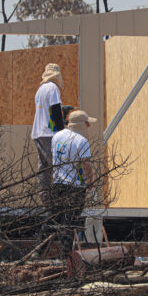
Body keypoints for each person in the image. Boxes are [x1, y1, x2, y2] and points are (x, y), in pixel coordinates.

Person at [50, 109, 96, 254]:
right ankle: (65, 257)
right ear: (82, 124)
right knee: (70, 222)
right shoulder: (81, 141)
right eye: (87, 124)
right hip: (74, 188)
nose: (89, 127)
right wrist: (91, 186)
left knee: (53, 220)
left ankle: (39, 251)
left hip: (57, 185)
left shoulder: (57, 136)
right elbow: (86, 166)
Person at [31, 63, 66, 194]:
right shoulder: (52, 88)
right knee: (57, 164)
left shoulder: (40, 90)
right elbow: (55, 110)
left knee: (44, 167)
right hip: (49, 132)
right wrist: (62, 131)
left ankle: (44, 194)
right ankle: (58, 195)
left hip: (38, 132)